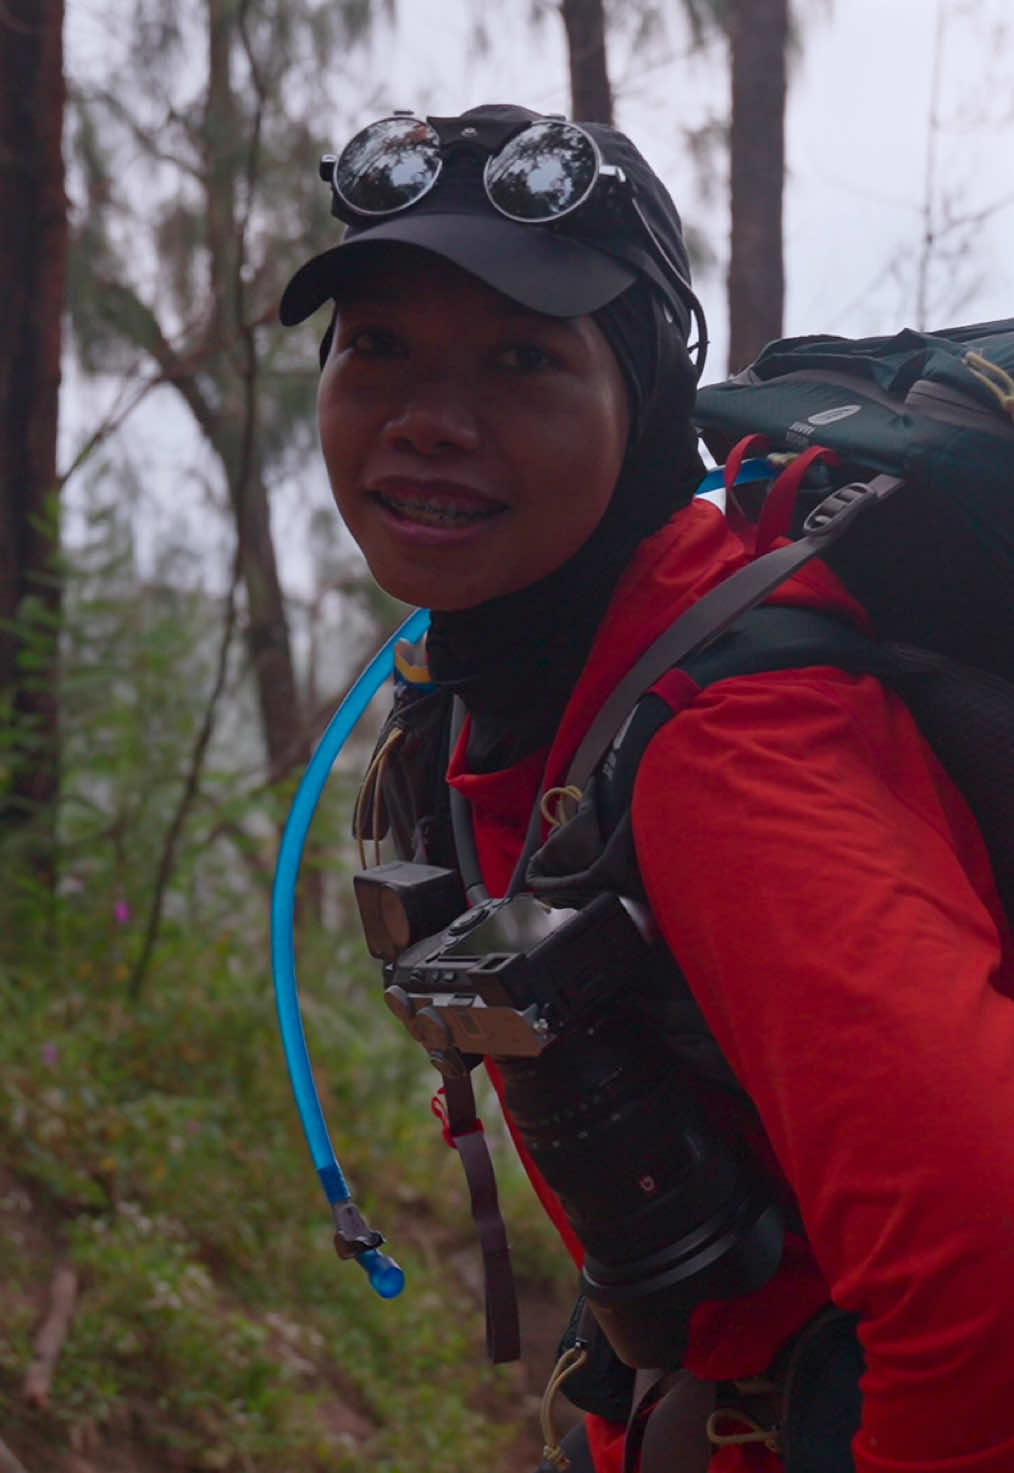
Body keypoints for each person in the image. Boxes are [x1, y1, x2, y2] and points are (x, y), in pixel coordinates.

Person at [279, 104, 1014, 1473]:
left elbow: (986, 1285)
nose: (430, 420)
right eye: (377, 347)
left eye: (520, 359)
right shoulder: (516, 678)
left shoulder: (724, 744)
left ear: (643, 401)